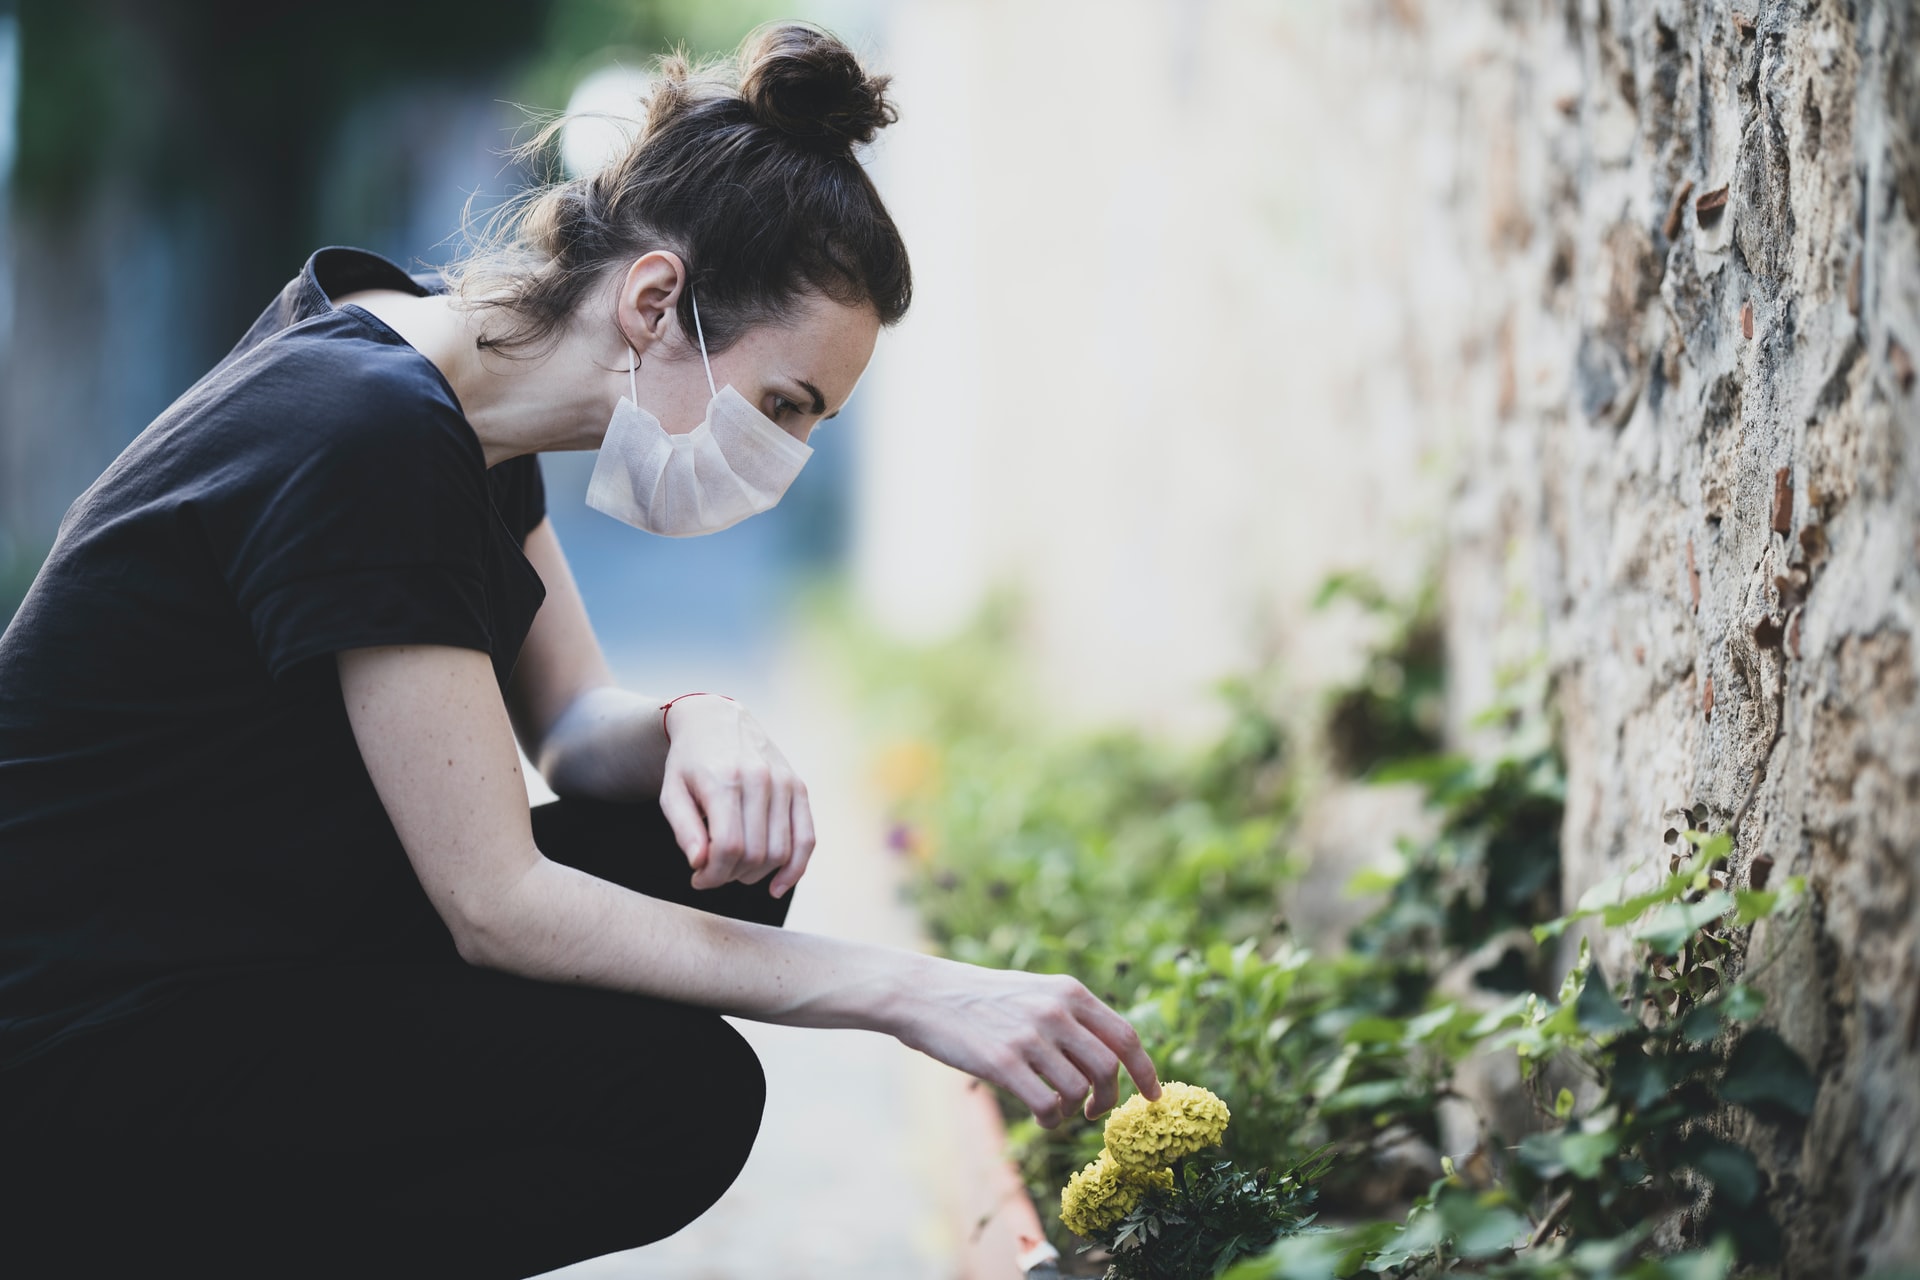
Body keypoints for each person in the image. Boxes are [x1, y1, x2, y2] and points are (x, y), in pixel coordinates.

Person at [0, 20, 1159, 1280]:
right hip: (78, 1050)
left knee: (710, 851)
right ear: (657, 301)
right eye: (784, 405)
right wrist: (922, 992)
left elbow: (569, 723)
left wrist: (698, 717)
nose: (788, 454)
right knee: (675, 1097)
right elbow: (496, 904)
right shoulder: (366, 436)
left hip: (238, 950)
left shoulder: (451, 400)